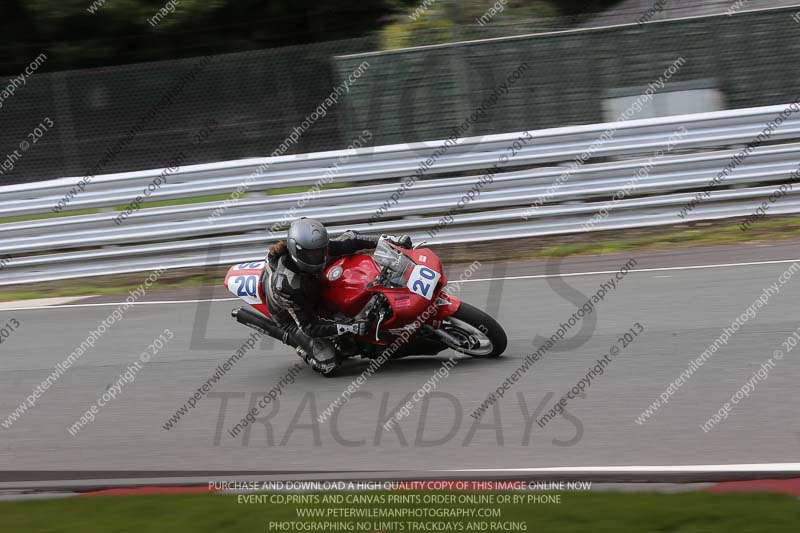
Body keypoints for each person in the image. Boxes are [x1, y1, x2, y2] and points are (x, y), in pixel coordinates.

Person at [264, 217, 412, 373]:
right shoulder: (285, 285)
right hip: (292, 317)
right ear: (297, 251)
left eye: (321, 250)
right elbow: (310, 326)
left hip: (313, 287)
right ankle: (302, 348)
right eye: (312, 254)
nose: (318, 256)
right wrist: (350, 328)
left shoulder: (317, 249)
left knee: (351, 244)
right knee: (329, 363)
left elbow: (352, 240)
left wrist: (390, 241)